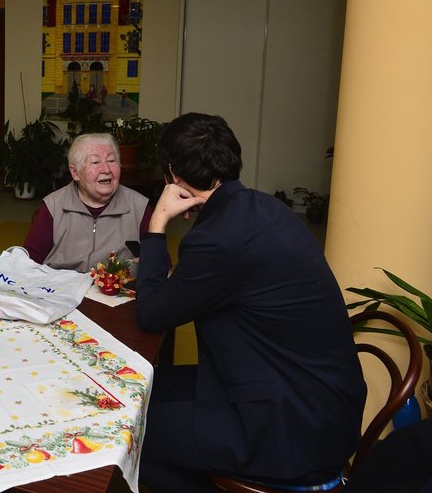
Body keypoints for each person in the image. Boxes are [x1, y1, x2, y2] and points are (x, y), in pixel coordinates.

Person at [135, 113, 366, 492]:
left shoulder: (216, 238)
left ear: (173, 176)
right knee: (143, 389)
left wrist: (158, 221)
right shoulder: (265, 208)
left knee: (134, 431)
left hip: (290, 428)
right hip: (318, 400)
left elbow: (151, 313)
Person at [23, 132, 150, 272]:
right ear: (75, 172)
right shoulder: (53, 206)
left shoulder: (139, 207)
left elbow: (162, 266)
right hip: (63, 289)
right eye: (95, 162)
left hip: (117, 291)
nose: (106, 170)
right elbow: (29, 263)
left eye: (111, 161)